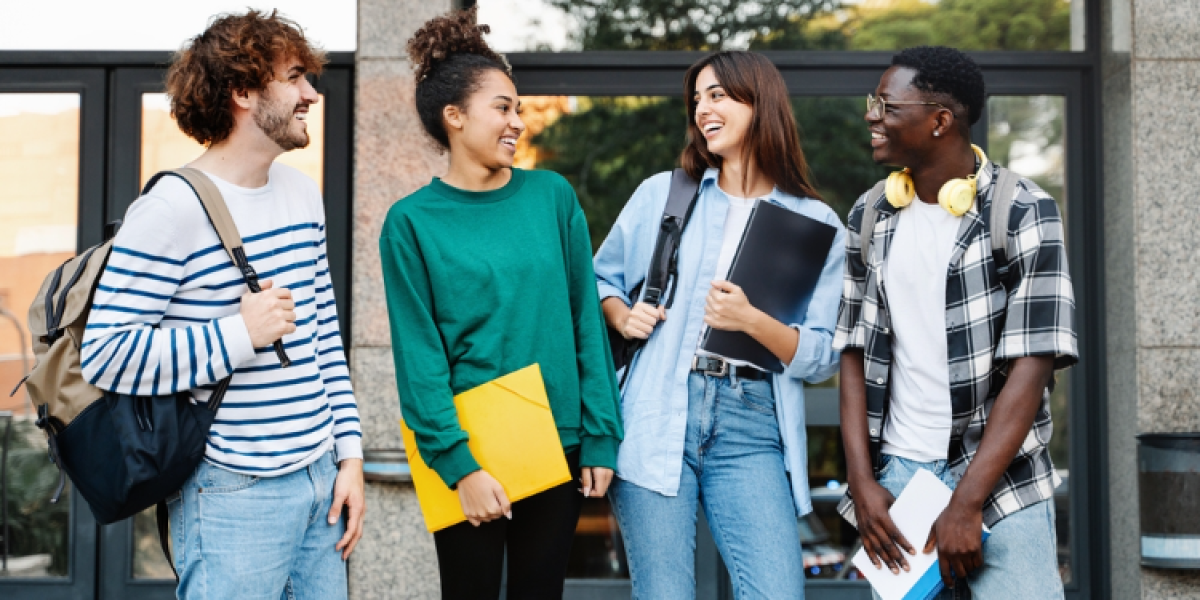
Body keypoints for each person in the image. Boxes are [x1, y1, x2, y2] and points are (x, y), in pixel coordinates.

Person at [79, 10, 365, 599]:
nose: (312, 93)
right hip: (234, 492)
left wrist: (349, 456)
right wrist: (238, 333)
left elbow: (323, 337)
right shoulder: (170, 210)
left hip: (320, 485)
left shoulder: (301, 194)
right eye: (294, 77)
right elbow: (105, 355)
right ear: (242, 91)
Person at [378, 8, 623, 599]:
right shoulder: (410, 223)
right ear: (454, 117)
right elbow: (421, 360)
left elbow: (583, 322)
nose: (518, 120)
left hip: (559, 445)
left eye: (518, 107)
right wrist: (460, 467)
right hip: (471, 450)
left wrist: (600, 436)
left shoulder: (552, 197)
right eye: (503, 107)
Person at [593, 50, 846, 599]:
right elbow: (599, 281)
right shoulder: (664, 194)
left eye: (718, 96)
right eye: (697, 99)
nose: (702, 109)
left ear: (760, 103)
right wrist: (623, 314)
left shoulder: (815, 222)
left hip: (752, 425)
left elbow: (823, 355)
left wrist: (751, 321)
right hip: (659, 410)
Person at [834, 46, 1077, 598]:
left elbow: (1033, 362)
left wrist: (966, 502)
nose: (872, 116)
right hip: (898, 482)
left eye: (887, 106)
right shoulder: (869, 214)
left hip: (1002, 481)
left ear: (941, 121)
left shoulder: (1022, 209)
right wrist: (862, 482)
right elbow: (852, 351)